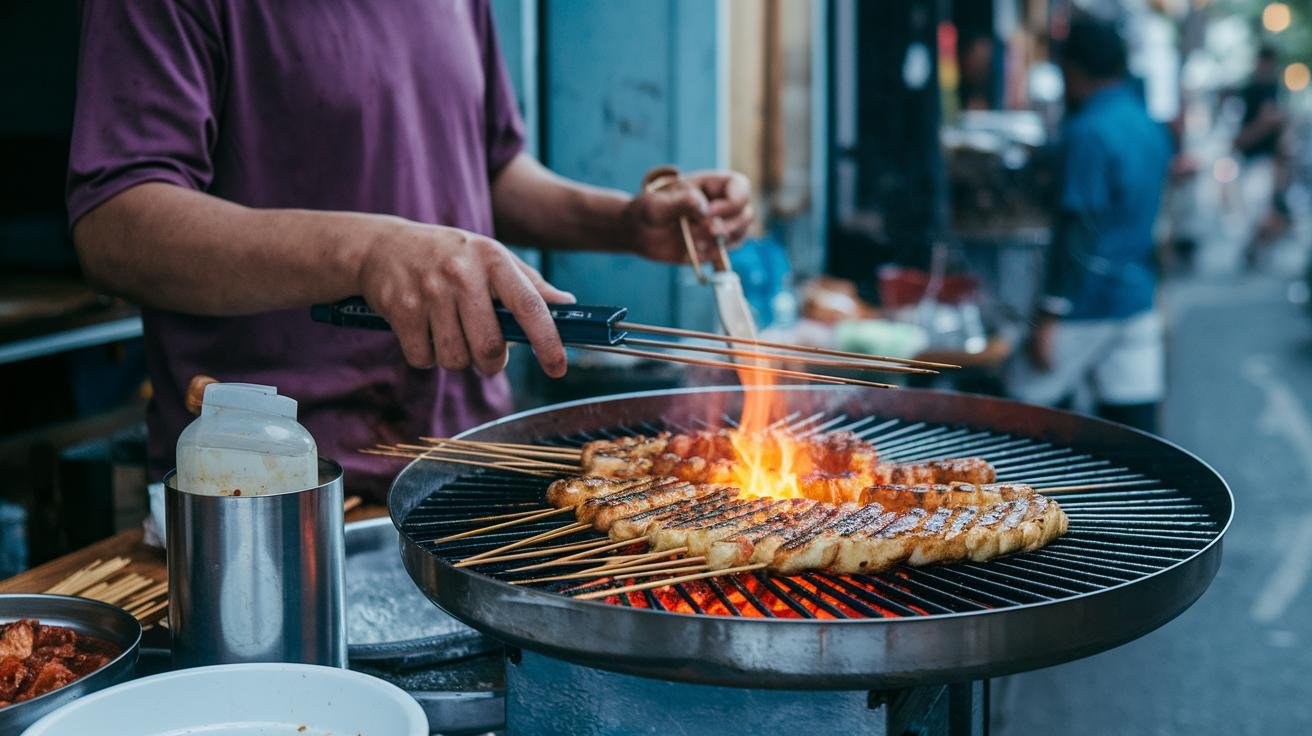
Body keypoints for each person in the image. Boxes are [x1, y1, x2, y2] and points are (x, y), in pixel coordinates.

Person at [66, 1, 753, 498]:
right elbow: (116, 226)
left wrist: (625, 224)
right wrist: (368, 251)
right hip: (271, 491)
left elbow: (485, 169)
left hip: (469, 462)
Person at [1009, 15, 1171, 434]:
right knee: (1138, 440)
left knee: (1023, 417)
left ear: (1074, 70)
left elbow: (1078, 227)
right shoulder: (1148, 125)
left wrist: (1048, 316)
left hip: (1086, 302)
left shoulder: (1087, 132)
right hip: (1136, 298)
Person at [1234, 46, 1290, 268]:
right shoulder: (1249, 90)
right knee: (1251, 210)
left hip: (1265, 161)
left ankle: (1255, 248)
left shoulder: (1274, 89)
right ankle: (1253, 248)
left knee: (1259, 209)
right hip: (1250, 158)